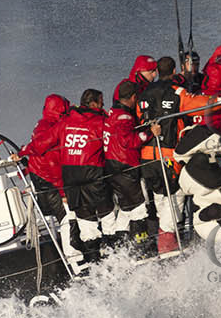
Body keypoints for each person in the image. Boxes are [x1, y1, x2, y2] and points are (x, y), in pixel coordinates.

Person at [58, 88, 111, 263]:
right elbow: (113, 141)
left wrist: (24, 152)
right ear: (94, 103)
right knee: (108, 214)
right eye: (101, 101)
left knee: (85, 221)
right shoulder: (100, 121)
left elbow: (44, 141)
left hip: (70, 177)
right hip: (92, 173)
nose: (103, 104)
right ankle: (115, 254)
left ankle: (94, 262)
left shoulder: (65, 121)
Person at [102, 81, 152, 250]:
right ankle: (142, 249)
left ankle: (119, 248)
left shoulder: (113, 111)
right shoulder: (124, 117)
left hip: (112, 165)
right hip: (125, 167)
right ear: (133, 97)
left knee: (126, 209)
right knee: (139, 209)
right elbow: (128, 141)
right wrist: (150, 132)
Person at [174, 124, 221, 240]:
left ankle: (217, 138)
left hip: (200, 180)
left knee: (185, 156)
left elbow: (204, 216)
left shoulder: (206, 226)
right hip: (214, 182)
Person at [22, 94, 70, 220]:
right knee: (68, 219)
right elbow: (51, 161)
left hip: (42, 180)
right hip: (51, 182)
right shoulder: (51, 127)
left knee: (67, 218)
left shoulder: (43, 124)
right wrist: (62, 191)